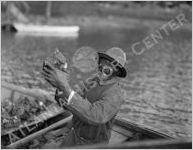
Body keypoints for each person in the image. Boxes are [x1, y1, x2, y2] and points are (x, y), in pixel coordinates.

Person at [42, 47, 127, 147]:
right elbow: (71, 102)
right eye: (102, 64)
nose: (104, 68)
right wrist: (61, 82)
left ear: (117, 71)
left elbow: (95, 116)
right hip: (74, 136)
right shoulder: (93, 80)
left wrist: (65, 86)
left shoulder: (116, 94)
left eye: (109, 67)